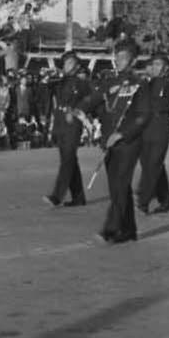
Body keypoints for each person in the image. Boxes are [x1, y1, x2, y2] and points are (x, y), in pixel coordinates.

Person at [81, 38, 152, 245]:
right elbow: (94, 98)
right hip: (109, 141)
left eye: (123, 57)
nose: (119, 60)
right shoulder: (109, 81)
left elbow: (143, 115)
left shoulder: (140, 84)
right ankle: (129, 230)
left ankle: (111, 229)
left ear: (132, 60)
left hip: (128, 142)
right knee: (117, 187)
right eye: (117, 56)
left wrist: (122, 134)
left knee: (120, 184)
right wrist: (79, 108)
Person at [136, 52, 169, 215]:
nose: (154, 67)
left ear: (165, 68)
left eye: (158, 65)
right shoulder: (145, 84)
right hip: (145, 129)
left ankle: (143, 200)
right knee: (151, 165)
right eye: (152, 64)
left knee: (153, 164)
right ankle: (165, 201)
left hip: (161, 127)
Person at [44, 50, 92, 208]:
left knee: (68, 160)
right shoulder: (59, 81)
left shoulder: (82, 83)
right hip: (60, 122)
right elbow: (45, 96)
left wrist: (77, 111)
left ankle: (57, 196)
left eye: (70, 62)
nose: (66, 65)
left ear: (77, 66)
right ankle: (79, 198)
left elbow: (90, 101)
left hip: (73, 123)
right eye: (65, 62)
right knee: (70, 160)